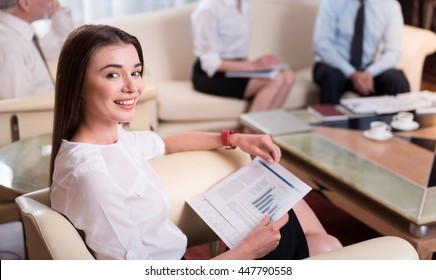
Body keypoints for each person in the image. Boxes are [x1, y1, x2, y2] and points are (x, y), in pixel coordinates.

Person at [49, 24, 342, 260]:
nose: (132, 86)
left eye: (136, 72)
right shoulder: (93, 177)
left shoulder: (112, 140)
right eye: (113, 74)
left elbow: (166, 144)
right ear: (79, 84)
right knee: (326, 246)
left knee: (284, 189)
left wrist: (234, 138)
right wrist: (248, 251)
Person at [190, 0, 294, 113]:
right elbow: (210, 62)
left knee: (288, 76)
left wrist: (261, 63)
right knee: (276, 79)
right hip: (211, 74)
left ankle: (266, 128)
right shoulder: (208, 8)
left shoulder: (243, 3)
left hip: (238, 68)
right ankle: (249, 131)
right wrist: (253, 66)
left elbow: (237, 51)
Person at [312, 0, 410, 105]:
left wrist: (369, 73)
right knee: (332, 77)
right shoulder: (332, 2)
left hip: (367, 69)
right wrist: (351, 73)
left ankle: (407, 119)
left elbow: (393, 52)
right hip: (334, 66)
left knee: (397, 78)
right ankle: (329, 120)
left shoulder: (390, 6)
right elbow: (322, 44)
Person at [0, 0, 74, 100]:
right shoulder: (10, 49)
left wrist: (58, 11)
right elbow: (20, 111)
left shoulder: (18, 34)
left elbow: (63, 44)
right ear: (25, 3)